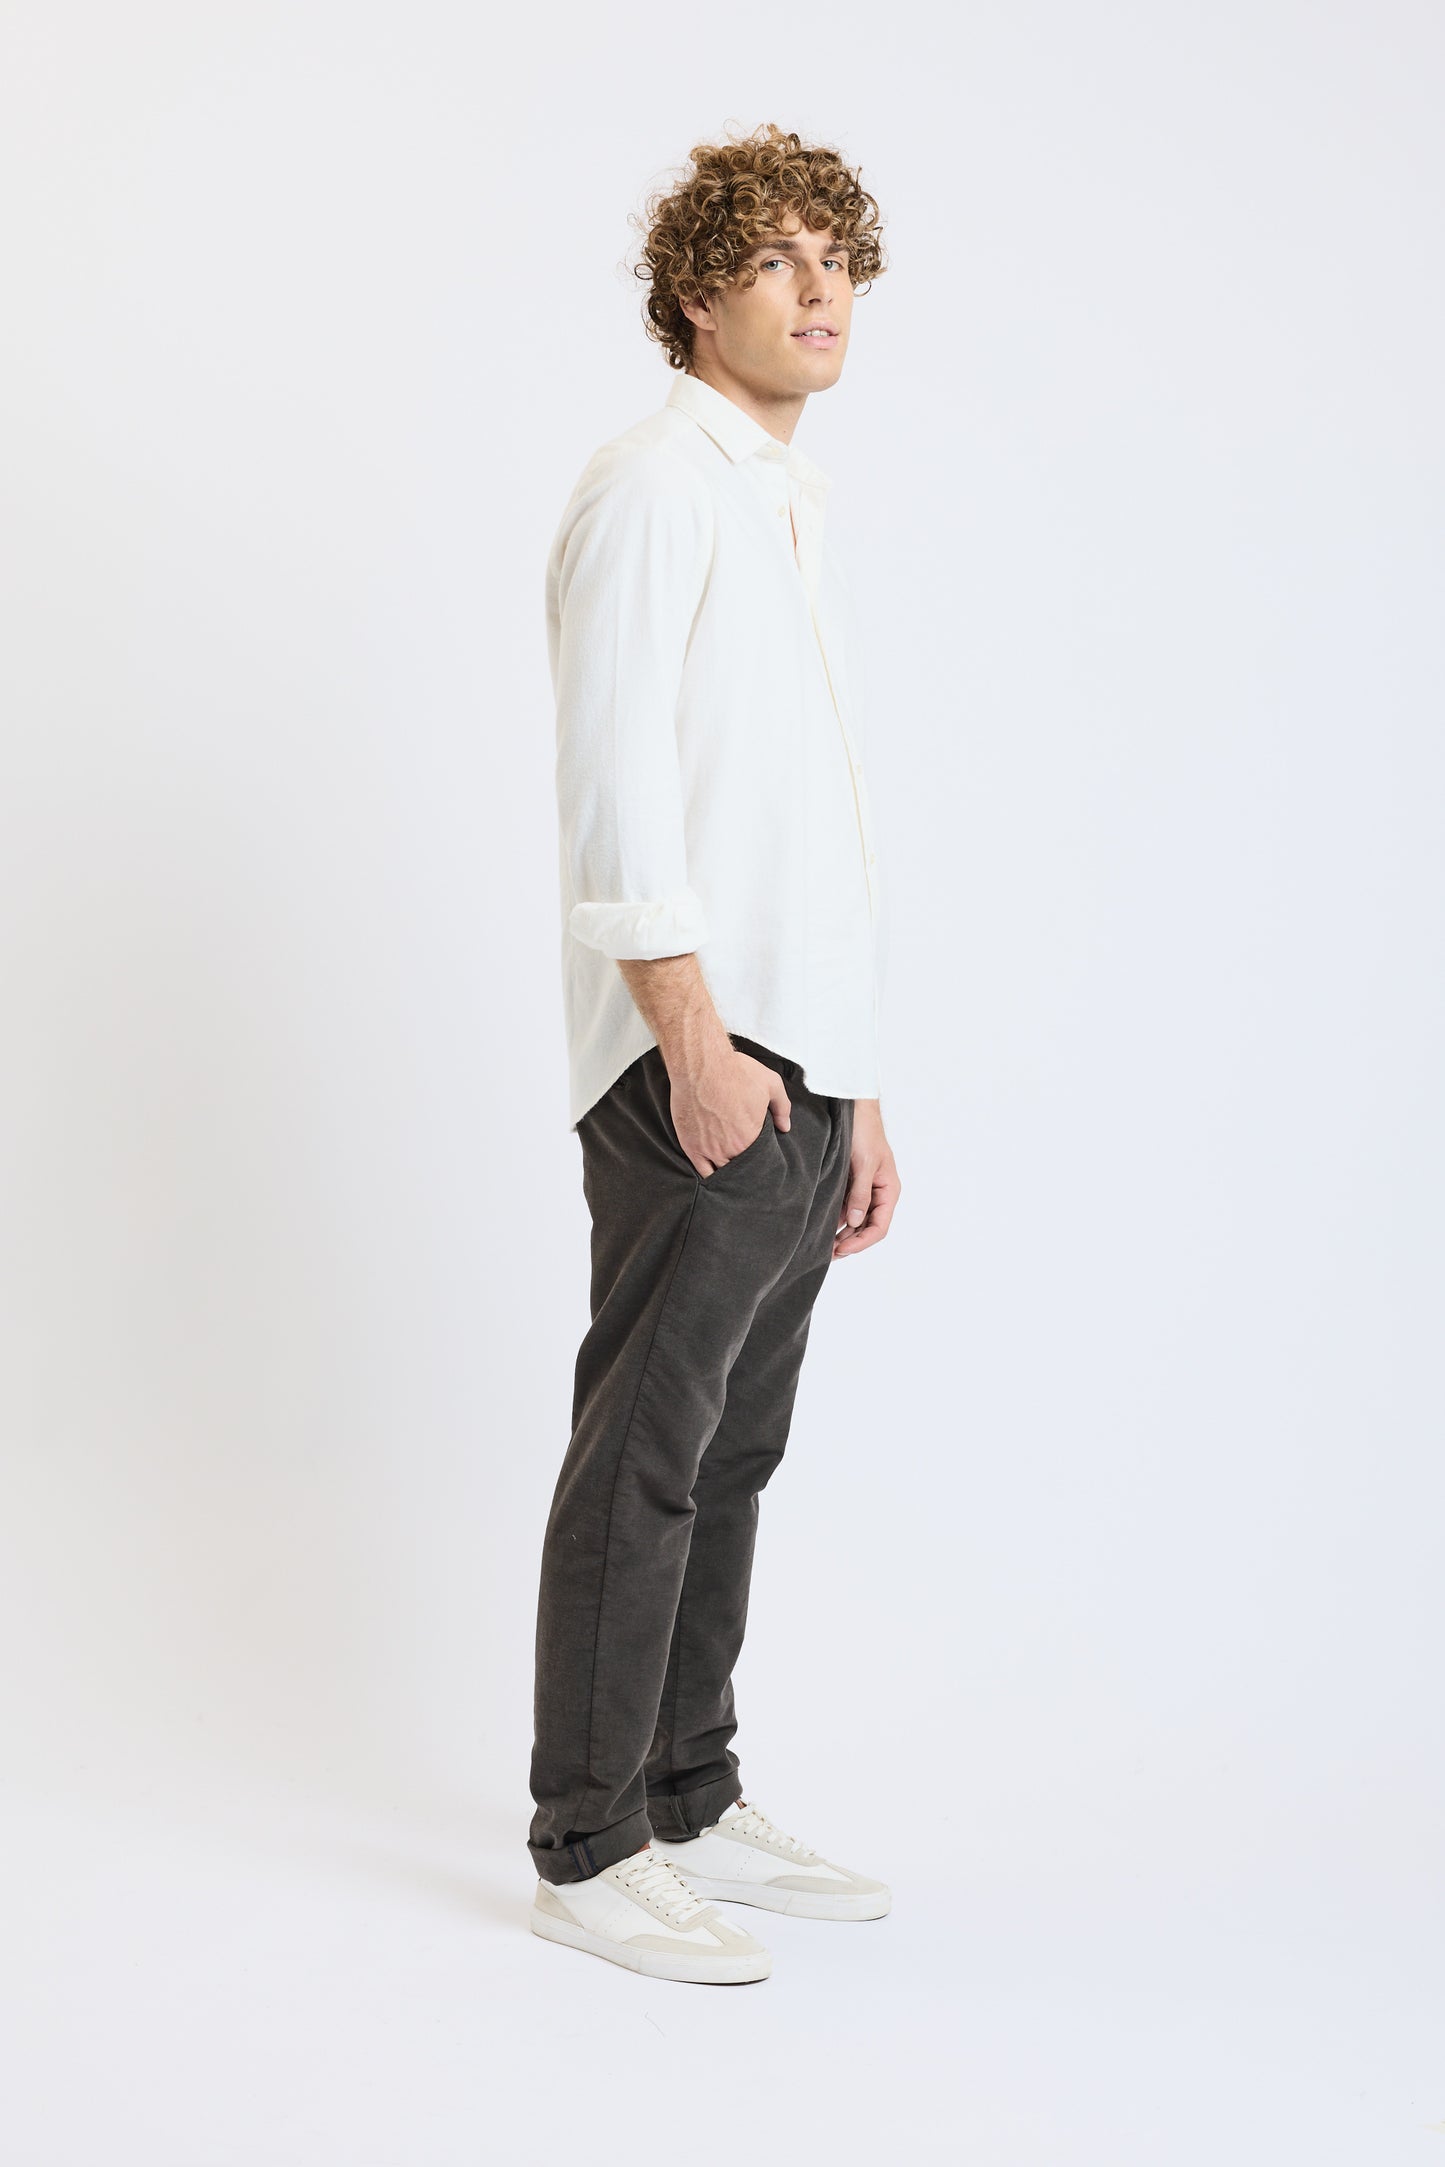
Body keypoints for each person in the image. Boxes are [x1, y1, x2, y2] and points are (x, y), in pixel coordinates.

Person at [527, 122, 902, 1985]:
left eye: (839, 259)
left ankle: (686, 1792)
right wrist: (696, 1039)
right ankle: (588, 1846)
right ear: (693, 293)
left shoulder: (778, 498)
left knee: (730, 1456)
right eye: (776, 260)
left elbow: (789, 820)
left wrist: (855, 1085)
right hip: (701, 1059)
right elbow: (615, 788)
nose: (819, 291)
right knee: (646, 1460)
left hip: (793, 1067)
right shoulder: (654, 486)